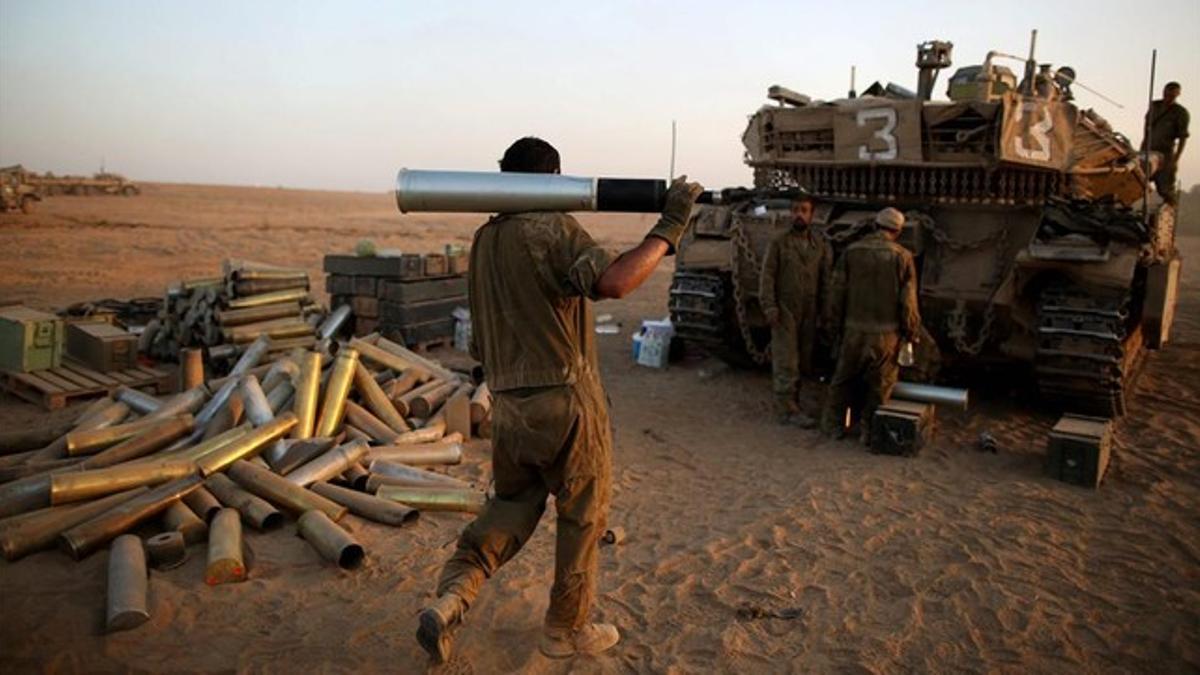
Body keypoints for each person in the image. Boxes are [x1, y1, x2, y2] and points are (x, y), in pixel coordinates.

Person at [416, 137, 703, 663]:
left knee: (510, 507)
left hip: (509, 407)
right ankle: (565, 629)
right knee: (582, 516)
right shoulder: (552, 228)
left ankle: (454, 593)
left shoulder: (485, 240)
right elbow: (615, 282)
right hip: (566, 403)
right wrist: (669, 229)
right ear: (554, 178)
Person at [821, 207, 921, 444]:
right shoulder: (903, 257)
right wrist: (910, 332)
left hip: (853, 331)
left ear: (876, 225)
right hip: (885, 335)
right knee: (879, 388)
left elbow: (836, 295)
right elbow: (908, 303)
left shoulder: (851, 252)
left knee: (842, 381)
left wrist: (832, 329)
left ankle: (831, 427)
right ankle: (869, 433)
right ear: (897, 230)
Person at [758, 190, 832, 428]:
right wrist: (769, 306)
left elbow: (825, 280)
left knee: (804, 359)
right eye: (796, 210)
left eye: (804, 211)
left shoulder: (818, 245)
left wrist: (825, 311)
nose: (799, 215)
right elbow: (767, 276)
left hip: (809, 310)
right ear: (791, 213)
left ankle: (796, 403)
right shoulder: (778, 242)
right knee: (786, 360)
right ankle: (787, 410)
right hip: (784, 309)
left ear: (812, 215)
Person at [1144, 82, 1189, 205]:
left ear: (1177, 95)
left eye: (1172, 95)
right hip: (1149, 150)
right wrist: (1143, 147)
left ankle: (1168, 213)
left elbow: (1183, 137)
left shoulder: (1180, 113)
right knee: (1135, 182)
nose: (1168, 97)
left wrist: (1175, 159)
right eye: (1167, 93)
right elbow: (1147, 126)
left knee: (1165, 189)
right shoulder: (1155, 106)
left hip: (1165, 155)